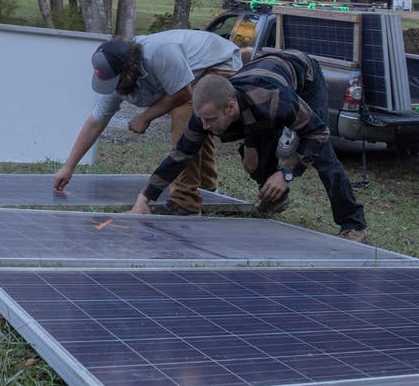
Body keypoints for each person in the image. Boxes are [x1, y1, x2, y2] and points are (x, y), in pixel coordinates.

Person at [130, 50, 369, 242]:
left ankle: (353, 223)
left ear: (230, 107)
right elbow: (180, 155)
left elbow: (317, 133)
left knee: (323, 157)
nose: (206, 126)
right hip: (258, 91)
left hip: (304, 77)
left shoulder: (275, 99)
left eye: (211, 120)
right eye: (203, 119)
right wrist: (145, 198)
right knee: (252, 161)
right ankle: (276, 198)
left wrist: (286, 173)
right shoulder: (206, 114)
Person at [53, 29, 242, 215]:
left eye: (116, 83)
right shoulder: (115, 76)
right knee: (197, 127)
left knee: (183, 117)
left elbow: (183, 93)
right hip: (187, 77)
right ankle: (208, 190)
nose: (114, 89)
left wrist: (145, 117)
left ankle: (185, 203)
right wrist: (69, 167)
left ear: (129, 70)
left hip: (219, 63)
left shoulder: (160, 53)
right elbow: (95, 122)